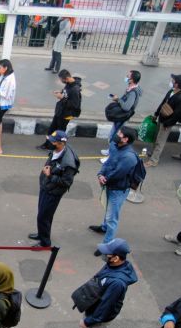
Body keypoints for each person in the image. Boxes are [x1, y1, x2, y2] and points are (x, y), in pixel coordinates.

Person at [90, 127, 138, 256]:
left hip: (118, 189)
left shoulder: (129, 157)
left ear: (126, 139)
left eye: (120, 134)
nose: (117, 135)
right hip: (109, 185)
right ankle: (104, 227)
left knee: (112, 217)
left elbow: (118, 173)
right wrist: (101, 174)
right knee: (108, 209)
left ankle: (107, 245)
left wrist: (104, 179)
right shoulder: (115, 146)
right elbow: (108, 162)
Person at [28, 131, 79, 247]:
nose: (49, 143)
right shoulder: (57, 151)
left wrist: (49, 175)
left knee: (44, 216)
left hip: (53, 192)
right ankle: (41, 234)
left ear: (60, 143)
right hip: (46, 186)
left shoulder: (68, 162)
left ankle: (45, 242)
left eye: (52, 141)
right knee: (42, 213)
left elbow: (66, 182)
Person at [79, 239, 138, 328]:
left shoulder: (117, 283)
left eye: (106, 254)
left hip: (98, 318)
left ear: (116, 258)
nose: (103, 255)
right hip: (94, 305)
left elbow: (105, 307)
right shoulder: (112, 264)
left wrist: (87, 322)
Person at [146, 74, 181, 167]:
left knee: (160, 142)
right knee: (156, 138)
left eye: (173, 80)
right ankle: (153, 153)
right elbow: (163, 103)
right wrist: (156, 114)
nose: (171, 81)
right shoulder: (171, 92)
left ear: (177, 84)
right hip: (161, 119)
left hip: (166, 123)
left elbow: (177, 115)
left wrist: (167, 124)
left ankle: (154, 160)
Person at [100, 70, 142, 162]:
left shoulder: (133, 92)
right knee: (113, 134)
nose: (126, 77)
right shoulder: (130, 88)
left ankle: (110, 157)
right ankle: (109, 151)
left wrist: (118, 99)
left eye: (128, 76)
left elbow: (127, 107)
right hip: (120, 116)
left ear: (132, 79)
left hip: (122, 117)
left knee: (115, 136)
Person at [37, 69, 82, 150]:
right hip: (60, 111)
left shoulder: (75, 89)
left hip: (66, 114)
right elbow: (66, 94)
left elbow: (75, 105)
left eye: (62, 80)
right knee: (52, 129)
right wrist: (61, 93)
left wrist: (62, 98)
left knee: (60, 133)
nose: (61, 82)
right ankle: (47, 145)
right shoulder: (69, 84)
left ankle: (57, 148)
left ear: (66, 78)